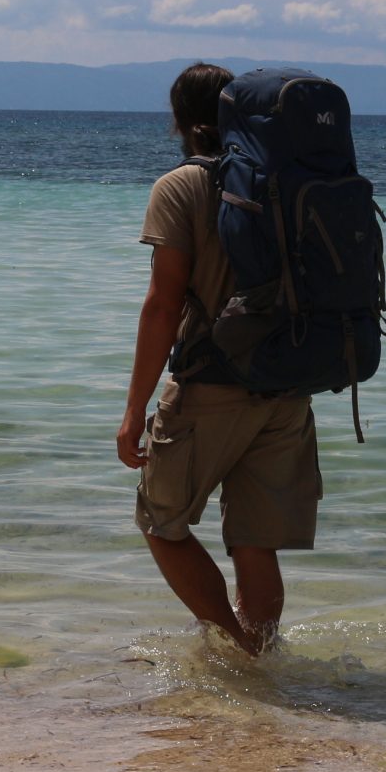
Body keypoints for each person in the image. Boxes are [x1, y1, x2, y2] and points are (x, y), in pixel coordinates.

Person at [116, 62, 323, 656]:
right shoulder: (286, 183)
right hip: (287, 385)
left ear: (178, 121)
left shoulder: (180, 186)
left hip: (212, 384)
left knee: (161, 523)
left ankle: (238, 655)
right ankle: (261, 657)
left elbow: (162, 305)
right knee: (255, 542)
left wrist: (134, 410)